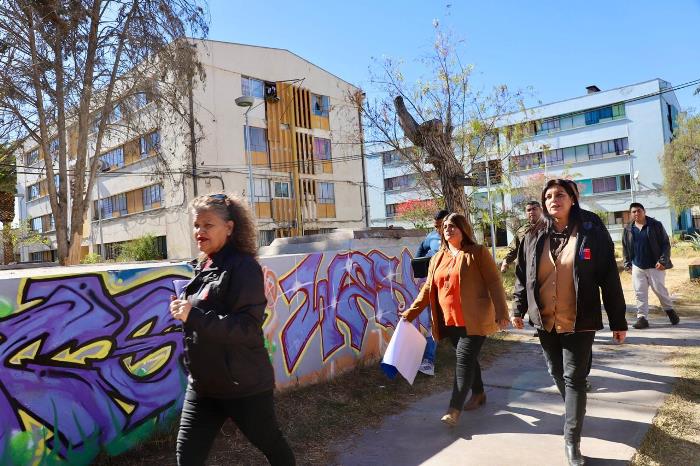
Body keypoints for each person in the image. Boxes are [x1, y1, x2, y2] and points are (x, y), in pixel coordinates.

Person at [170, 193, 295, 466]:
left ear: (229, 227)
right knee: (187, 456)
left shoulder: (244, 268)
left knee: (271, 443)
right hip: (204, 385)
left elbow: (247, 328)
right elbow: (203, 313)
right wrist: (186, 311)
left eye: (208, 225)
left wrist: (194, 316)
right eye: (196, 225)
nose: (200, 231)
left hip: (243, 385)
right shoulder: (206, 265)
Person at [511, 179, 627, 466]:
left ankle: (571, 439)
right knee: (555, 370)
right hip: (545, 319)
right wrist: (518, 307)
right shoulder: (533, 234)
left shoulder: (591, 231)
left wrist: (618, 319)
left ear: (572, 199)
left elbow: (609, 277)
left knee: (574, 379)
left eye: (560, 194)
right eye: (548, 196)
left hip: (580, 318)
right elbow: (522, 275)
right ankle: (575, 409)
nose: (553, 200)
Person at [401, 213, 509, 427]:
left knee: (463, 359)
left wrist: (502, 312)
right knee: (469, 360)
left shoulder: (477, 252)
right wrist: (410, 313)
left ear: (463, 229)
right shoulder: (437, 257)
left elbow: (495, 282)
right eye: (446, 227)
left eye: (453, 226)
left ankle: (454, 409)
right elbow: (428, 288)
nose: (448, 229)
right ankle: (478, 394)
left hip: (475, 320)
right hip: (449, 321)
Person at [622, 202, 679, 329]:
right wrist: (627, 263)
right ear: (631, 214)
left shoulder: (655, 225)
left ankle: (670, 311)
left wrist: (663, 261)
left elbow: (665, 244)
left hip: (655, 266)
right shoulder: (628, 229)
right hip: (637, 266)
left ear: (644, 211)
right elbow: (625, 247)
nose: (636, 213)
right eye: (634, 212)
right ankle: (642, 318)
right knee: (639, 293)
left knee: (660, 291)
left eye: (638, 211)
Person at [414, 209, 449, 376]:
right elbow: (420, 252)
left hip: (457, 289)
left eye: (441, 226)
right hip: (435, 286)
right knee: (433, 322)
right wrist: (419, 274)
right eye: (436, 226)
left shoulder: (460, 238)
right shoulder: (432, 237)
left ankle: (467, 352)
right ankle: (428, 361)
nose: (438, 230)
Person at [501, 201, 543, 272]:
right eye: (528, 210)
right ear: (526, 213)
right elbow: (514, 249)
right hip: (526, 269)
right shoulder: (521, 230)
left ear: (541, 210)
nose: (531, 212)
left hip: (545, 268)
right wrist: (506, 261)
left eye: (534, 209)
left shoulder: (549, 227)